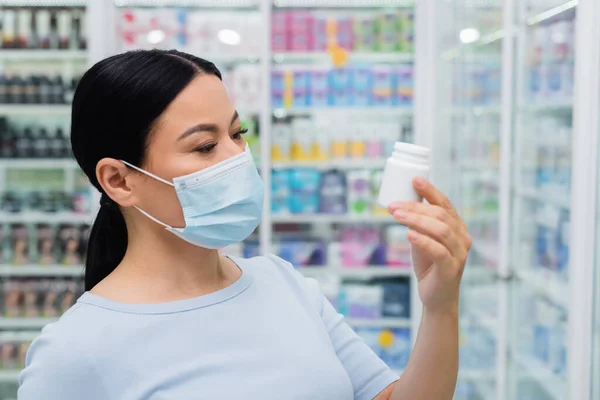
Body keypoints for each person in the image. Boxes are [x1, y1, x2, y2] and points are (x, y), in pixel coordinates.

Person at [18, 49, 471, 400]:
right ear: (119, 180)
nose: (238, 159)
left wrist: (441, 306)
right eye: (204, 146)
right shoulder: (74, 352)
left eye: (237, 135)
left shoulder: (284, 284)